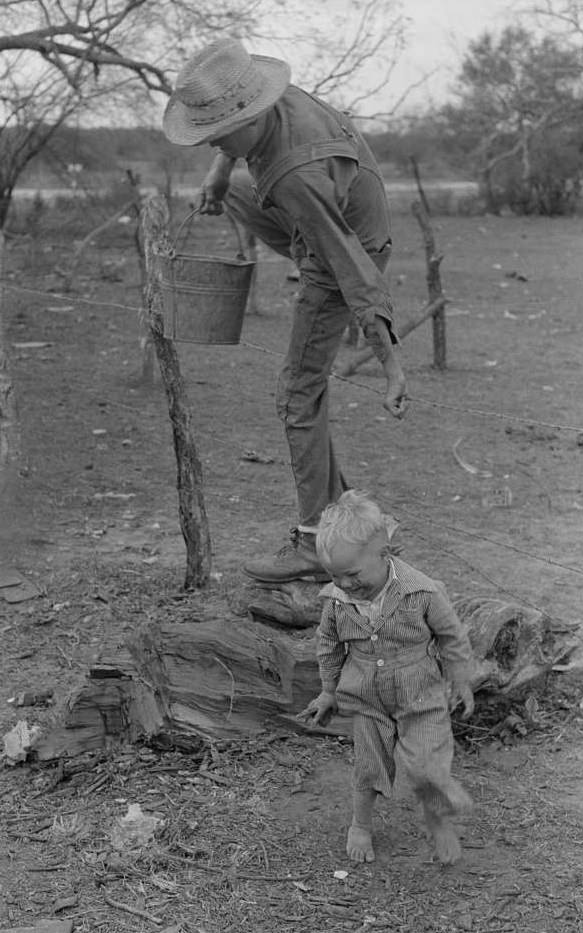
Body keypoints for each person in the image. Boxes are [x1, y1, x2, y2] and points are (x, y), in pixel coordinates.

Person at [163, 39, 408, 583]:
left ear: (249, 117)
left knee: (297, 394)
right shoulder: (273, 103)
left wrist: (389, 362)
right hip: (327, 218)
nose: (216, 144)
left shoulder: (294, 174)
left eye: (219, 137)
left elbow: (351, 268)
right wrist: (220, 173)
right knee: (228, 193)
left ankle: (315, 543)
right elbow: (239, 141)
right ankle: (352, 529)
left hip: (343, 251)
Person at [300, 490, 474, 865]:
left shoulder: (422, 591)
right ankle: (360, 824)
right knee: (368, 765)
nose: (344, 584)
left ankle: (437, 819)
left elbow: (452, 636)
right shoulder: (336, 601)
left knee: (427, 763)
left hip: (420, 693)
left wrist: (461, 680)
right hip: (367, 697)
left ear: (385, 554)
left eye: (352, 574)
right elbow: (328, 645)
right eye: (333, 575)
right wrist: (329, 691)